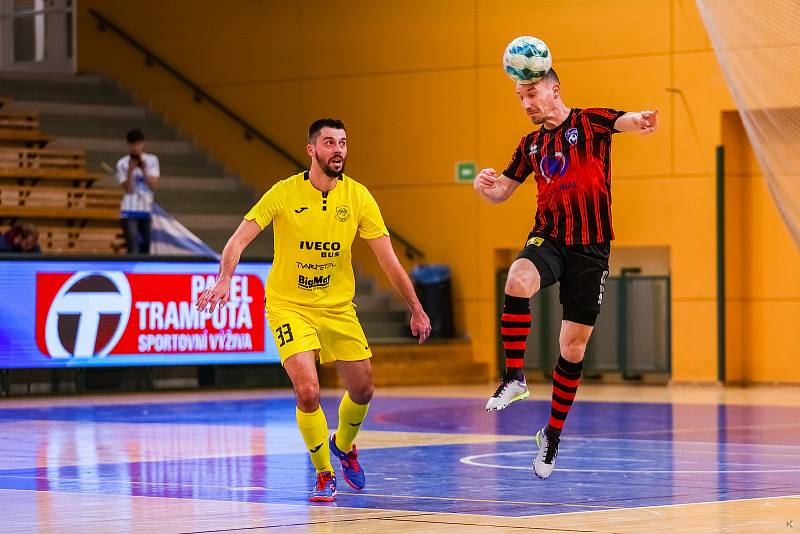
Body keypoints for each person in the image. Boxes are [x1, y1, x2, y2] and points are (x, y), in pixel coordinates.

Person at [196, 118, 431, 502]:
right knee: (308, 392)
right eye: (329, 142)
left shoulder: (358, 197)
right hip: (290, 307)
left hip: (338, 308)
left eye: (343, 142)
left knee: (364, 388)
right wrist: (225, 279)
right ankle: (324, 473)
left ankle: (345, 444)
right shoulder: (284, 192)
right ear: (311, 150)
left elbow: (389, 260)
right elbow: (238, 241)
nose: (338, 149)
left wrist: (416, 308)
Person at [476, 69, 658, 479]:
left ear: (554, 90)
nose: (526, 104)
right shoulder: (530, 144)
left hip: (591, 249)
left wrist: (641, 119)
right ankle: (514, 377)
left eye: (532, 94)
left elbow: (623, 120)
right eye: (520, 97)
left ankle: (551, 436)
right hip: (550, 237)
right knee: (517, 278)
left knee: (572, 349)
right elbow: (502, 191)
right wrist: (482, 185)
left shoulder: (589, 121)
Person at [116, 129, 159, 253]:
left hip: (146, 210)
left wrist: (144, 170)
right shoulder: (122, 163)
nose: (136, 147)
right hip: (129, 210)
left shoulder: (152, 160)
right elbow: (128, 189)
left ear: (143, 143)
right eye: (133, 144)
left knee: (146, 249)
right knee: (133, 247)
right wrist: (130, 171)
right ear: (129, 145)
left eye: (138, 143)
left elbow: (153, 185)